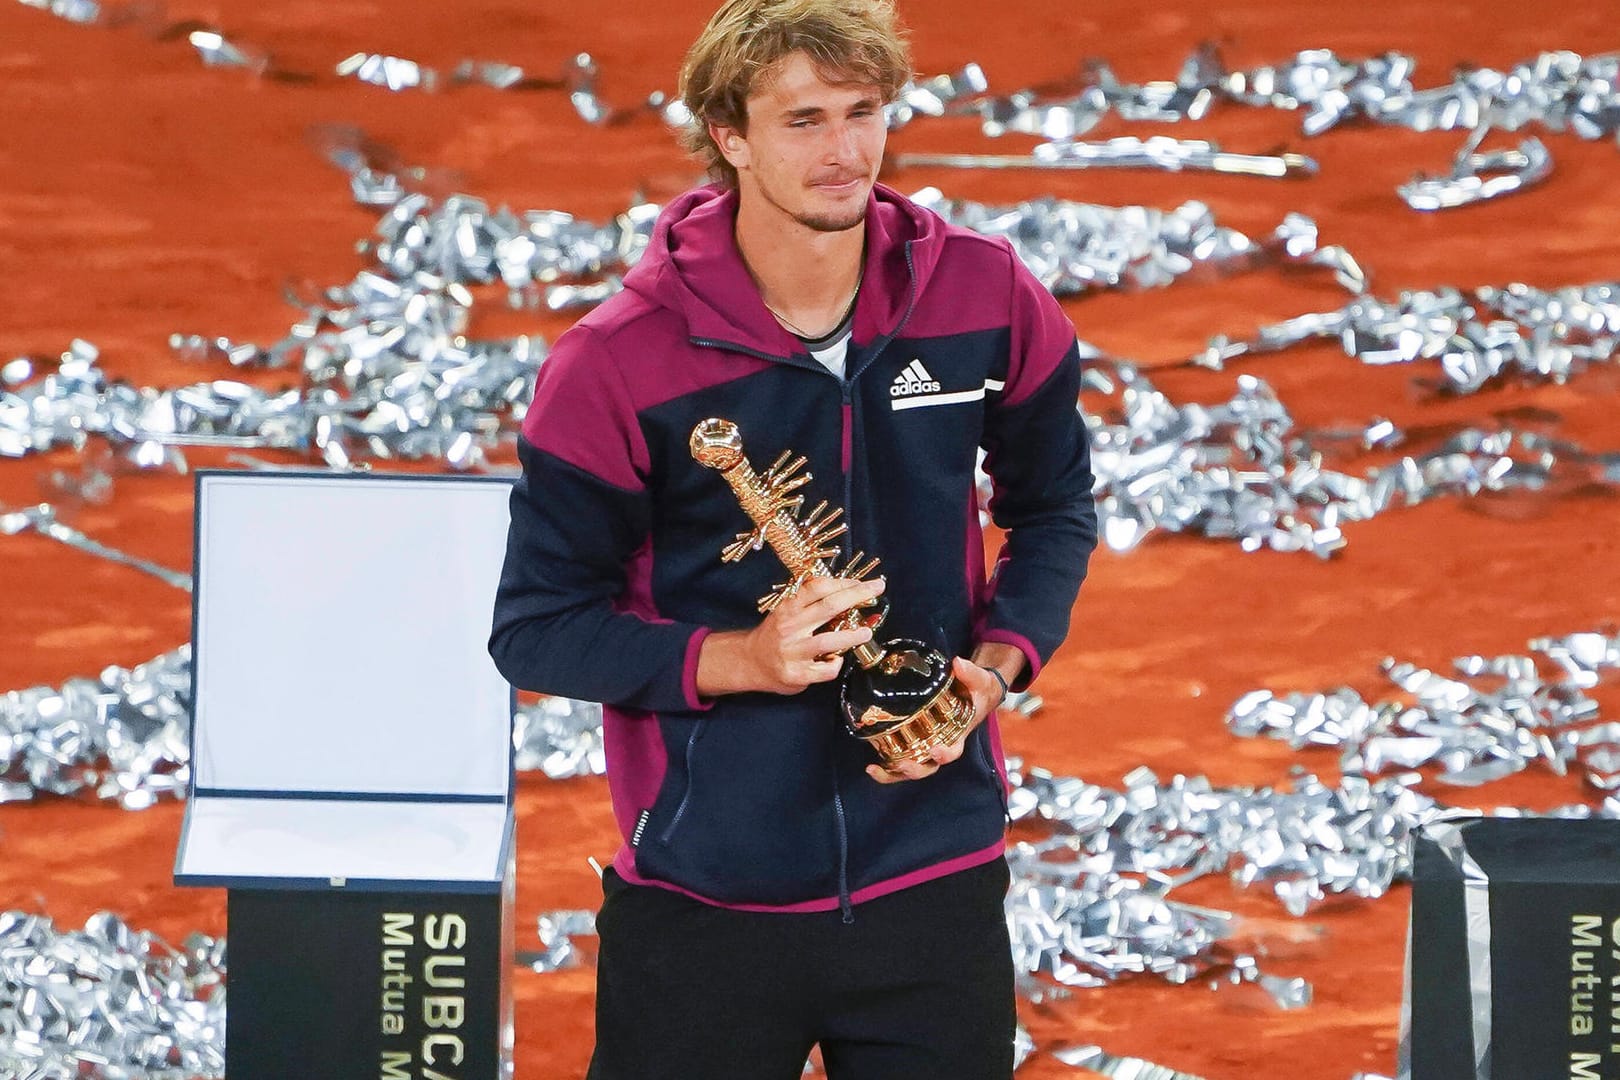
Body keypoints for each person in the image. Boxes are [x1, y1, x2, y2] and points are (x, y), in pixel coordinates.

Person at [489, 1, 1096, 1075]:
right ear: (729, 137)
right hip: (706, 900)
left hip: (934, 881)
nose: (845, 152)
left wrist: (993, 675)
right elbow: (539, 628)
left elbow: (1054, 507)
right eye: (804, 120)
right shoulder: (616, 362)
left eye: (865, 113)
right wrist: (745, 662)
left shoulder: (985, 293)